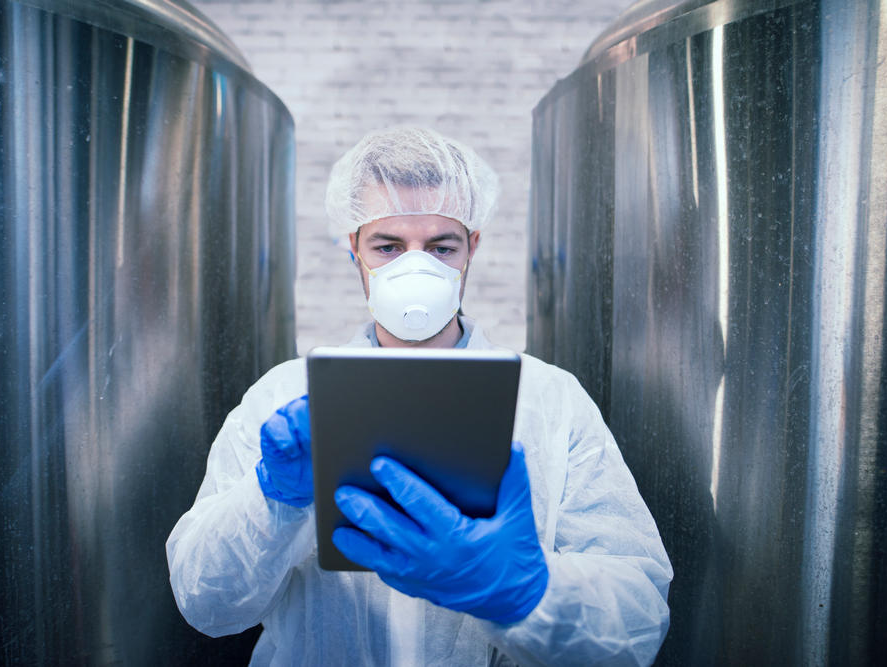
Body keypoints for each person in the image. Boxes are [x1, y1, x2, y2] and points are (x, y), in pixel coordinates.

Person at [166, 126, 672, 665]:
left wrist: (524, 593)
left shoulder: (550, 401)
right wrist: (270, 499)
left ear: (471, 248)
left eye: (440, 247)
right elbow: (206, 604)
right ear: (353, 251)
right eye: (388, 246)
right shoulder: (284, 398)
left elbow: (637, 622)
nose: (415, 267)